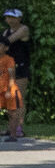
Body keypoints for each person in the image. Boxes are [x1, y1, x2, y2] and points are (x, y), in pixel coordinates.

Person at [1, 10, 29, 141]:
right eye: (8, 17)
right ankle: (10, 128)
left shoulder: (23, 29)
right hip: (9, 69)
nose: (10, 20)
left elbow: (8, 41)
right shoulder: (6, 31)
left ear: (19, 18)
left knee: (19, 98)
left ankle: (19, 128)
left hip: (21, 68)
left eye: (13, 17)